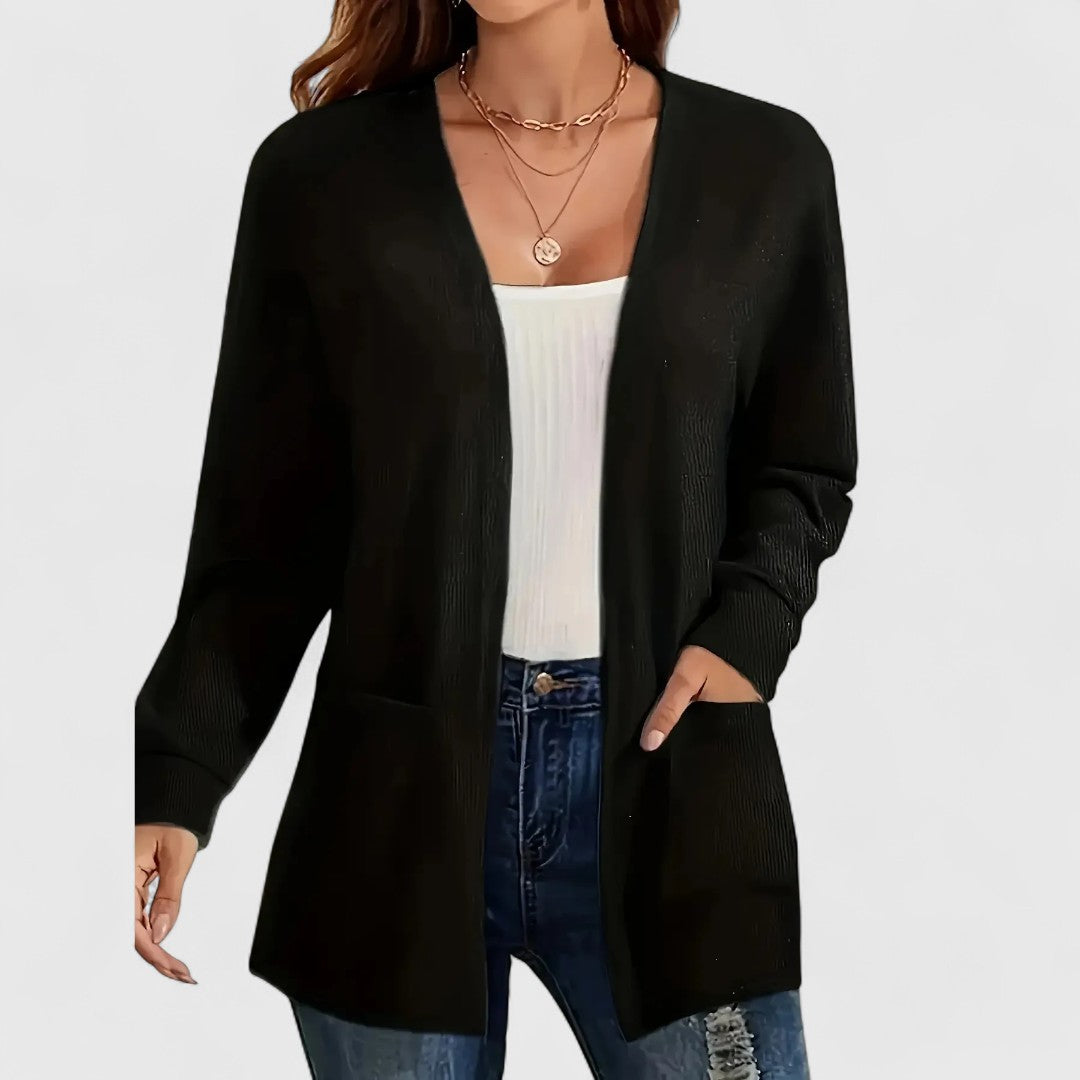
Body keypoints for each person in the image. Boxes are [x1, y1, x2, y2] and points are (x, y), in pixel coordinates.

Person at [134, 1, 857, 1076]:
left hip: (673, 783)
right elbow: (263, 526)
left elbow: (802, 463)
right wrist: (177, 772)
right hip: (394, 800)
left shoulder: (766, 164)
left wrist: (747, 635)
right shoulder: (323, 179)